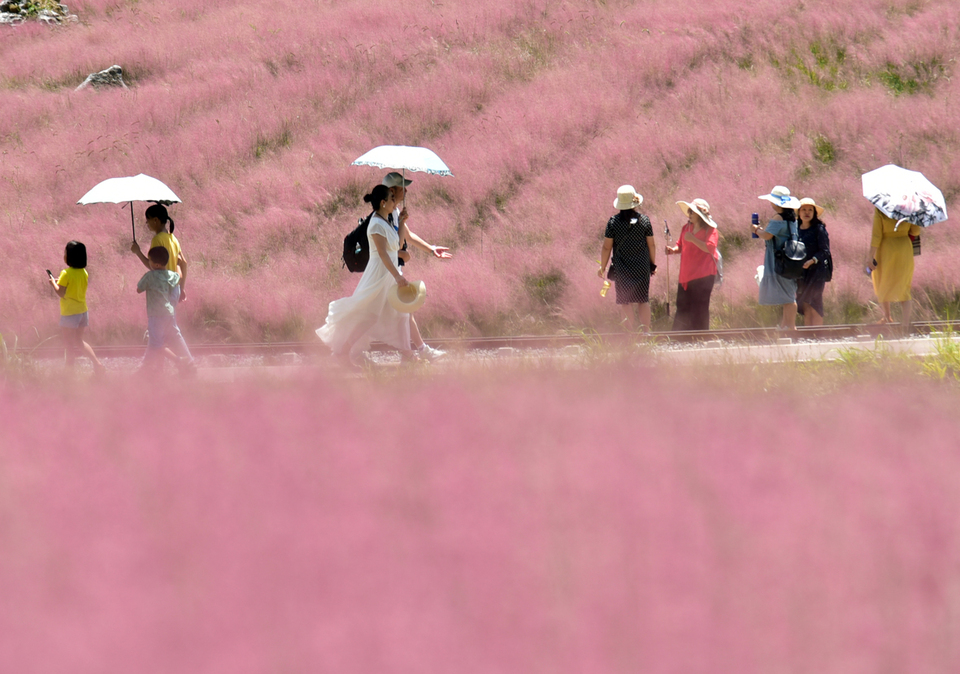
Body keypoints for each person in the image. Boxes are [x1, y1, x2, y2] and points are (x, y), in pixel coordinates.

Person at [317, 184, 417, 366]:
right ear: (383, 202)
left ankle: (407, 354)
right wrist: (397, 276)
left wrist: (401, 222)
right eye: (392, 199)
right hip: (379, 275)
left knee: (400, 312)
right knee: (368, 315)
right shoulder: (376, 224)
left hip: (389, 274)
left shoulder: (386, 220)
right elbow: (383, 254)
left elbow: (398, 244)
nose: (396, 202)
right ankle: (343, 351)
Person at [382, 172, 453, 362]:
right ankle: (415, 352)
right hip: (386, 272)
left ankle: (414, 352)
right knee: (383, 312)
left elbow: (408, 237)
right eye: (401, 187)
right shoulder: (384, 214)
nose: (405, 190)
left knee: (403, 311)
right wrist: (401, 254)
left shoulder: (395, 212)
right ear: (391, 191)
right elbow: (386, 247)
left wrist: (431, 249)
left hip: (394, 270)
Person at [598, 185, 657, 332]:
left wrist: (603, 267)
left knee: (625, 302)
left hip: (622, 268)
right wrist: (652, 265)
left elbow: (606, 247)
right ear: (634, 202)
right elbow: (652, 245)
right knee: (643, 300)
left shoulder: (613, 222)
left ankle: (629, 334)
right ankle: (646, 332)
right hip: (641, 266)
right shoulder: (645, 221)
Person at [48, 240, 106, 374]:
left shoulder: (66, 273)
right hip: (82, 311)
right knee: (79, 341)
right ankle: (97, 364)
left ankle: (69, 371)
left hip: (69, 313)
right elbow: (73, 285)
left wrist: (53, 283)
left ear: (69, 257)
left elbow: (61, 293)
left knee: (69, 344)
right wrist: (59, 282)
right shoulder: (84, 272)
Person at [137, 247, 195, 374]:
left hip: (155, 315)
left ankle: (179, 360)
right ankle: (143, 369)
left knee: (156, 345)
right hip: (169, 313)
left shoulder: (149, 276)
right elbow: (179, 276)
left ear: (156, 264)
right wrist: (178, 265)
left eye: (150, 261)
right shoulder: (172, 275)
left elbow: (139, 289)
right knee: (170, 338)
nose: (149, 263)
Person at [665, 198, 719, 331]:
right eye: (689, 211)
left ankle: (699, 336)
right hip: (686, 275)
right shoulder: (686, 228)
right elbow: (680, 246)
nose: (689, 214)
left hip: (704, 275)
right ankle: (680, 337)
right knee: (682, 306)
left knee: (699, 307)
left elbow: (710, 248)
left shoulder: (711, 230)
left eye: (692, 212)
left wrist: (693, 239)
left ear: (700, 215)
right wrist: (672, 250)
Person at [752, 186, 801, 330]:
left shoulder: (778, 217)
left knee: (789, 298)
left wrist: (755, 229)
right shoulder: (792, 218)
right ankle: (785, 326)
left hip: (780, 260)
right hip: (791, 259)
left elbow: (767, 235)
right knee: (788, 294)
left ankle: (791, 328)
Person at [868, 206, 921, 334]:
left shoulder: (881, 208)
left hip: (886, 248)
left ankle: (887, 316)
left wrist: (870, 256)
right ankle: (905, 325)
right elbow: (915, 231)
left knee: (883, 280)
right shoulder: (909, 207)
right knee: (904, 286)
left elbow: (876, 235)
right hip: (904, 248)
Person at [795, 198, 832, 327]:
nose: (807, 212)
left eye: (810, 210)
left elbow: (825, 251)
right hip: (801, 273)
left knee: (814, 303)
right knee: (804, 304)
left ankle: (818, 334)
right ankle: (808, 337)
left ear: (814, 212)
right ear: (799, 212)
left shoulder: (819, 229)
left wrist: (812, 261)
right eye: (804, 209)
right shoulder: (795, 229)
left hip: (817, 272)